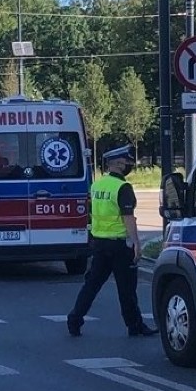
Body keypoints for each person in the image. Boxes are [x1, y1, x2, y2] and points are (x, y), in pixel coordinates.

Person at [66, 144, 157, 337]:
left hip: (99, 244)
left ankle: (74, 319)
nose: (129, 166)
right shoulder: (123, 187)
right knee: (127, 289)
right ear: (118, 164)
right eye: (127, 162)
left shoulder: (97, 185)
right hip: (119, 245)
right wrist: (137, 244)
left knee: (91, 285)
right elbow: (128, 218)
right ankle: (134, 325)